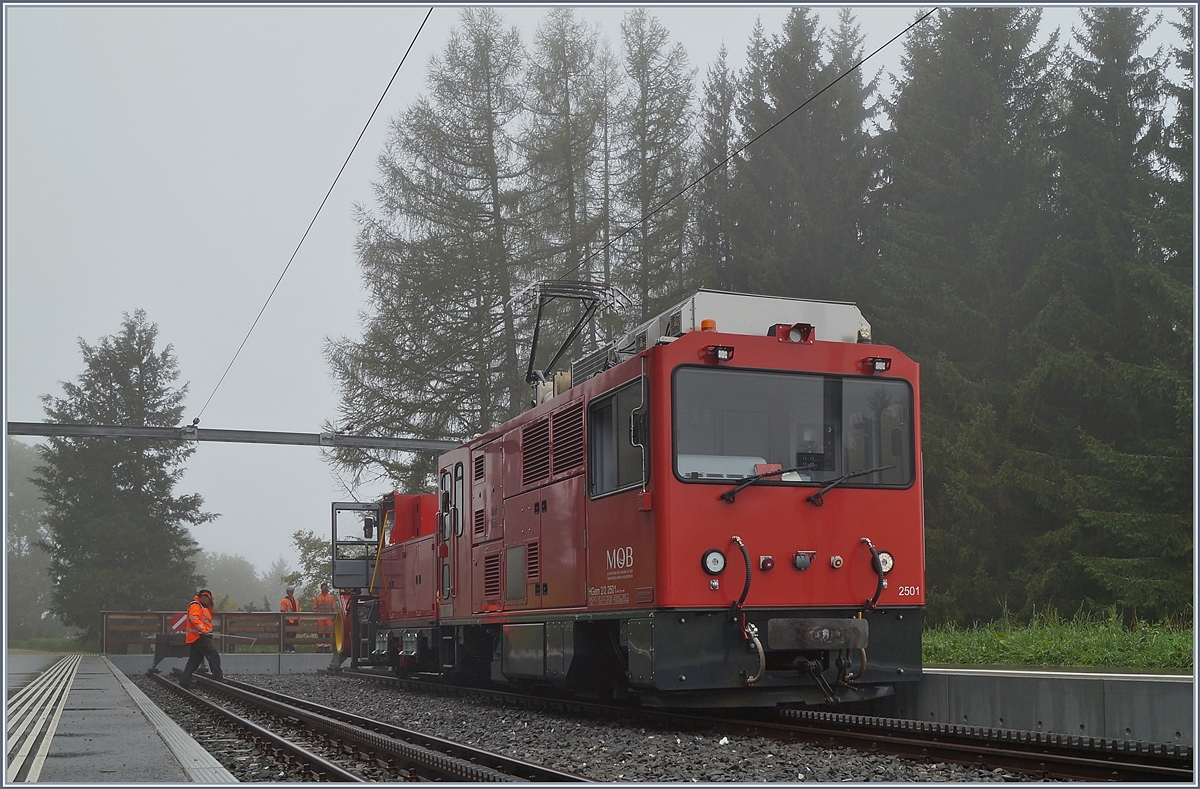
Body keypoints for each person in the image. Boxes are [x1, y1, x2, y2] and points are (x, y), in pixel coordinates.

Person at [179, 589, 223, 688]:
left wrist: (210, 603)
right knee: (213, 654)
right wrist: (204, 630)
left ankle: (184, 681)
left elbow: (210, 612)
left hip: (197, 636)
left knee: (194, 660)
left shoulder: (202, 606)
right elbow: (194, 619)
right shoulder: (195, 605)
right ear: (203, 597)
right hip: (200, 636)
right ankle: (218, 678)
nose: (210, 601)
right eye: (209, 599)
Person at [312, 582, 337, 653]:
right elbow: (314, 608)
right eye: (323, 587)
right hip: (320, 617)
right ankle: (320, 646)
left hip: (329, 617)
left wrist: (334, 617)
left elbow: (333, 608)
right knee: (320, 632)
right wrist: (316, 616)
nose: (325, 589)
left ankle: (327, 646)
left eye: (326, 587)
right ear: (321, 588)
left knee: (328, 632)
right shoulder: (317, 597)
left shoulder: (331, 597)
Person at [280, 585, 299, 652]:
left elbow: (297, 609)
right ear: (287, 592)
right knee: (289, 634)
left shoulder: (295, 600)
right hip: (288, 620)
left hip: (296, 620)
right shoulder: (284, 601)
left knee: (293, 634)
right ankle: (290, 648)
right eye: (290, 591)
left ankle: (289, 647)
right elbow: (282, 610)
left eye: (292, 591)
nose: (291, 592)